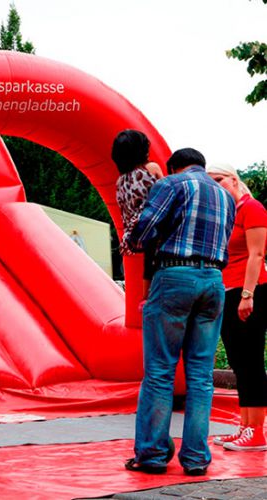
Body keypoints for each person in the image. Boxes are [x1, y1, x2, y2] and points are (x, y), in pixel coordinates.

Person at [124, 148, 236, 476]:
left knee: (160, 371)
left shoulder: (172, 184)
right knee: (201, 375)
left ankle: (152, 455)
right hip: (213, 279)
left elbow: (142, 233)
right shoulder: (226, 196)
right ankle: (196, 458)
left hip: (174, 275)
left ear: (174, 167)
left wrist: (135, 233)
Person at [206, 163, 267, 451]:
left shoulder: (251, 208)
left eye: (219, 179)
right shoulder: (228, 213)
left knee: (251, 361)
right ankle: (245, 426)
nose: (216, 186)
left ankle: (257, 431)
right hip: (228, 292)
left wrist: (247, 294)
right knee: (239, 362)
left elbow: (257, 254)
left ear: (233, 178)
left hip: (250, 292)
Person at [112, 129, 164, 300]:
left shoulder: (121, 181)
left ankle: (145, 297)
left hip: (134, 234)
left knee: (149, 265)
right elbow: (168, 194)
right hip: (155, 226)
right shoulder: (151, 169)